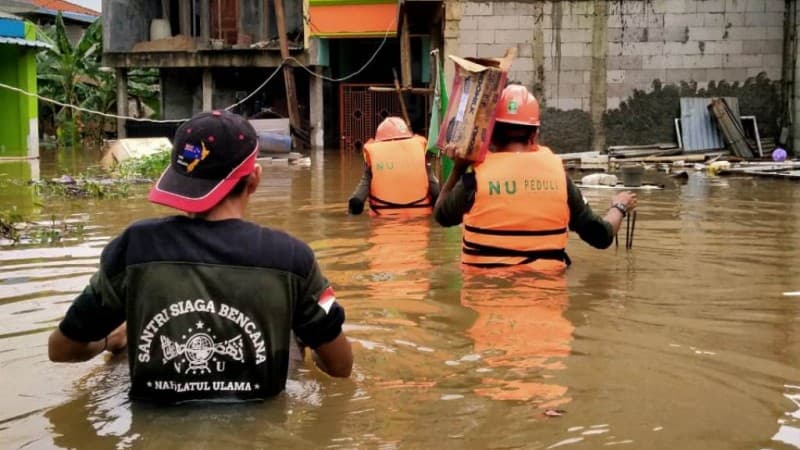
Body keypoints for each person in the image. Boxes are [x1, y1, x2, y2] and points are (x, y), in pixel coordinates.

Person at [48, 110, 353, 404]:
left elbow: (60, 349)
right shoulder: (294, 259)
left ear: (177, 178)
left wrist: (109, 341)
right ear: (255, 179)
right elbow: (341, 367)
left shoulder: (133, 248)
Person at [434, 84, 638, 269]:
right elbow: (601, 236)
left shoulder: (474, 180)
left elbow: (441, 216)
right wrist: (619, 206)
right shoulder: (559, 178)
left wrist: (459, 168)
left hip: (486, 299)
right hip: (546, 297)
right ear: (534, 134)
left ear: (491, 133)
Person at [348, 116, 440, 216]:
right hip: (421, 217)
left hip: (383, 218)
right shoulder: (419, 151)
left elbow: (357, 202)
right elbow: (437, 192)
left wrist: (351, 212)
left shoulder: (374, 156)